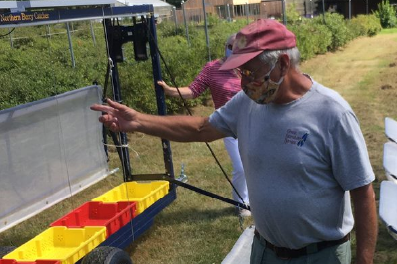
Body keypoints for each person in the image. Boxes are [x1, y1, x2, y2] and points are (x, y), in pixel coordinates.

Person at [91, 19, 377, 263]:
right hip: (265, 251)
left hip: (320, 256)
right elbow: (201, 128)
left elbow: (362, 192)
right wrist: (138, 121)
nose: (243, 83)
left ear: (283, 64)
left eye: (250, 72)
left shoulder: (331, 113)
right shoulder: (247, 103)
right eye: (240, 73)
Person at [157, 34, 251, 217]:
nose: (233, 50)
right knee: (240, 166)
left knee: (254, 162)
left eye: (238, 47)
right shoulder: (213, 68)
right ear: (225, 46)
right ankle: (241, 202)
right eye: (230, 46)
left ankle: (256, 198)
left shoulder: (248, 66)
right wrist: (170, 91)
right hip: (228, 125)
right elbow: (193, 91)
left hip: (252, 121)